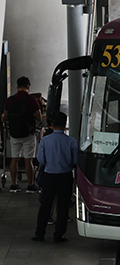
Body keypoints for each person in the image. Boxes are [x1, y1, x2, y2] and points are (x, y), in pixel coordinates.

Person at [32, 111, 77, 244]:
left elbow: (41, 159)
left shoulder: (45, 140)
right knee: (63, 207)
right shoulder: (72, 141)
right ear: (65, 125)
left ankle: (40, 233)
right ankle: (59, 235)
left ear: (51, 124)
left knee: (45, 205)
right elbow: (75, 161)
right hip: (65, 177)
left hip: (49, 176)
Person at [3, 76, 42, 193]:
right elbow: (39, 118)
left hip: (14, 134)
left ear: (17, 87)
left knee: (14, 159)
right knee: (28, 160)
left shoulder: (9, 100)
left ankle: (14, 185)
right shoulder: (32, 100)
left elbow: (5, 117)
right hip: (28, 134)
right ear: (28, 87)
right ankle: (30, 185)